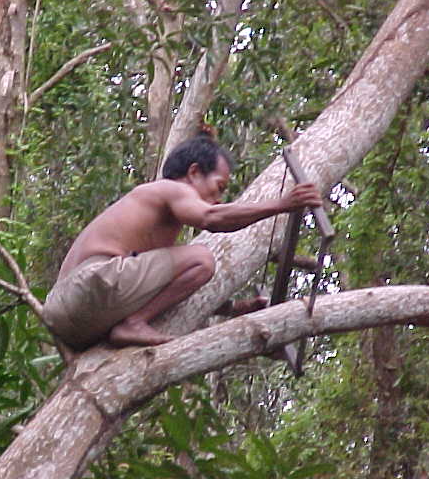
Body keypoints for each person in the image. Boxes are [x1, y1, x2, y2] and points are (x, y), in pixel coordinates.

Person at [43, 128, 322, 350]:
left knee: (188, 259)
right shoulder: (172, 189)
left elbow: (159, 284)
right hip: (87, 286)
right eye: (218, 187)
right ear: (193, 173)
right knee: (200, 258)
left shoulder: (152, 220)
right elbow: (212, 219)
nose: (218, 198)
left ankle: (131, 323)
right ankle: (134, 324)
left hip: (66, 321)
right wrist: (282, 204)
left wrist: (233, 308)